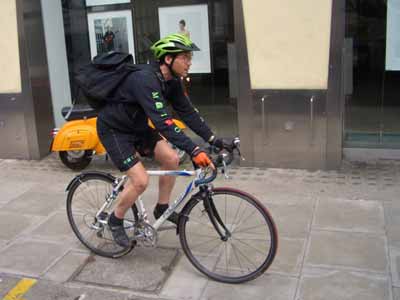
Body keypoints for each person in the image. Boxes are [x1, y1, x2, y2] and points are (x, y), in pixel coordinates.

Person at [96, 33, 224, 247]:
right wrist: (194, 150)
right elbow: (164, 123)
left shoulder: (171, 81)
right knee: (140, 181)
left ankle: (161, 208)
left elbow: (188, 113)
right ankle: (115, 219)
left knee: (172, 159)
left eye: (189, 58)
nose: (189, 63)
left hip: (136, 128)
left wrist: (214, 139)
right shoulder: (145, 80)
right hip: (114, 130)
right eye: (185, 57)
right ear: (168, 59)